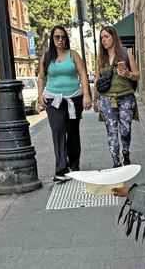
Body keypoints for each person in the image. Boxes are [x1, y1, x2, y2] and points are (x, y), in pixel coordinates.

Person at [37, 25, 92, 182]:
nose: (60, 40)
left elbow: (83, 74)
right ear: (52, 39)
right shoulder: (46, 57)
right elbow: (41, 77)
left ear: (66, 39)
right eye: (57, 37)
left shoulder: (73, 55)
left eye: (63, 37)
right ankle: (61, 169)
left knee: (73, 133)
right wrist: (39, 95)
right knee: (58, 130)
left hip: (74, 99)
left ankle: (74, 167)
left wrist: (86, 95)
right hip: (53, 101)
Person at [93, 26, 139, 167]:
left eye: (106, 36)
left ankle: (125, 152)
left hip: (125, 97)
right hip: (107, 99)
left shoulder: (125, 53)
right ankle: (116, 164)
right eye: (102, 38)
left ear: (114, 36)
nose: (104, 40)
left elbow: (137, 75)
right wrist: (95, 100)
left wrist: (127, 74)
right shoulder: (101, 58)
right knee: (112, 133)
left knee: (125, 130)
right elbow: (97, 79)